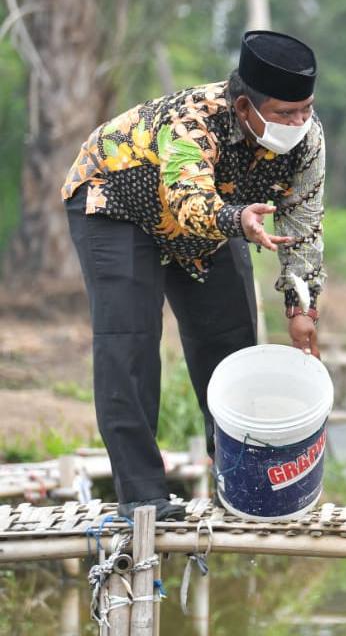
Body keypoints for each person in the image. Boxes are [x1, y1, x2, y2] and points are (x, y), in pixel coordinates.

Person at [63, 31, 327, 520]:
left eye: (306, 109)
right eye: (286, 113)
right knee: (131, 341)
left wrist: (302, 307)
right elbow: (190, 201)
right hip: (117, 203)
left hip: (220, 216)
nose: (299, 122)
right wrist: (238, 220)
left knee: (230, 342)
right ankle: (143, 496)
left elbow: (304, 222)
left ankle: (238, 481)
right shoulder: (192, 121)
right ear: (246, 107)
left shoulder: (307, 141)